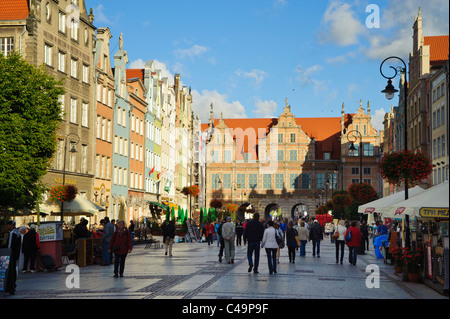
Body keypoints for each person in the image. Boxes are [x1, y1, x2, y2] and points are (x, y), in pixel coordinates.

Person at [5, 220, 20, 295]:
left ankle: (10, 286)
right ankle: (13, 284)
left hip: (11, 254)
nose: (7, 226)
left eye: (8, 225)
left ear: (12, 225)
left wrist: (7, 253)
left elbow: (9, 245)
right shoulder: (17, 232)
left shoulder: (12, 233)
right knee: (13, 269)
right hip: (16, 254)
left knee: (10, 270)